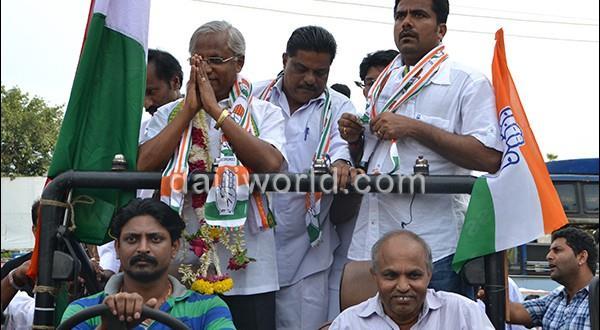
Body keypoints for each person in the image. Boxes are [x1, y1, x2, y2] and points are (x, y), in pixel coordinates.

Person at [338, 0, 503, 297]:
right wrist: (355, 140)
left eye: (418, 15)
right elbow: (374, 157)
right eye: (400, 15)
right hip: (373, 237)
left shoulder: (467, 82)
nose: (406, 23)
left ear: (441, 29)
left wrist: (414, 128)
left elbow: (489, 157)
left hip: (433, 247)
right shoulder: (383, 83)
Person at [138, 20, 285, 330]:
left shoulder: (263, 112)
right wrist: (190, 110)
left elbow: (270, 164)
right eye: (198, 60)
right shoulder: (170, 113)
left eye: (216, 60)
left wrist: (217, 112)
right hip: (184, 269)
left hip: (249, 272)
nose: (206, 69)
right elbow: (144, 165)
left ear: (239, 63)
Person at [252, 25, 357, 330]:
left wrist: (341, 163)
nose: (310, 79)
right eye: (301, 69)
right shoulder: (253, 96)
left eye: (320, 72)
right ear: (284, 59)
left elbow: (342, 149)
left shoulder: (338, 105)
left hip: (308, 250)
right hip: (251, 245)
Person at [60, 198, 235, 329]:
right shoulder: (83, 310)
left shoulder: (209, 308)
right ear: (118, 248)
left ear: (174, 247)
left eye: (155, 239)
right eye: (132, 239)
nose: (143, 248)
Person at [330, 230, 493, 329]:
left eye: (414, 275)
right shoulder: (348, 324)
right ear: (375, 276)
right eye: (391, 276)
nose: (402, 286)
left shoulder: (462, 313)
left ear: (429, 275)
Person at [507, 227, 598, 329]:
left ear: (581, 257)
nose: (548, 256)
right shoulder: (556, 298)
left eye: (557, 250)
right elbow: (514, 312)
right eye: (550, 251)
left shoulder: (595, 298)